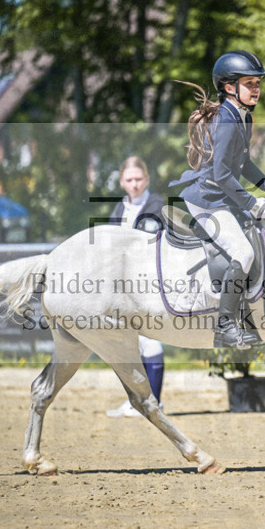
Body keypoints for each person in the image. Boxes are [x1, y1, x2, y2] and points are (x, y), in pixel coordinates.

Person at [170, 50, 265, 348]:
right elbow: (222, 175)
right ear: (228, 87)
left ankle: (247, 324)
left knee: (261, 241)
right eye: (250, 83)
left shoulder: (242, 118)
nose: (256, 89)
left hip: (223, 198)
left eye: (258, 83)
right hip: (207, 200)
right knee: (244, 253)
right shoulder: (225, 120)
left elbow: (244, 163)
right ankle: (224, 327)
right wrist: (251, 202)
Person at [106, 156, 167, 418]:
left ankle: (152, 403)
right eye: (129, 180)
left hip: (152, 282)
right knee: (131, 345)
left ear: (147, 179)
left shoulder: (158, 205)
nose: (134, 184)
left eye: (139, 179)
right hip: (125, 286)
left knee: (150, 340)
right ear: (121, 182)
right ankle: (136, 402)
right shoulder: (119, 210)